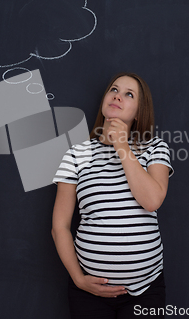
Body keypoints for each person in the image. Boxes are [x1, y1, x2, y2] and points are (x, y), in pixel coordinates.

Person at [51, 72, 174, 319]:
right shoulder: (77, 154)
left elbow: (151, 201)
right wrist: (78, 279)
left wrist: (122, 146)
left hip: (145, 289)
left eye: (129, 94)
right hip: (88, 292)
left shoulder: (154, 147)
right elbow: (60, 226)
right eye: (114, 90)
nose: (118, 96)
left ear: (139, 112)